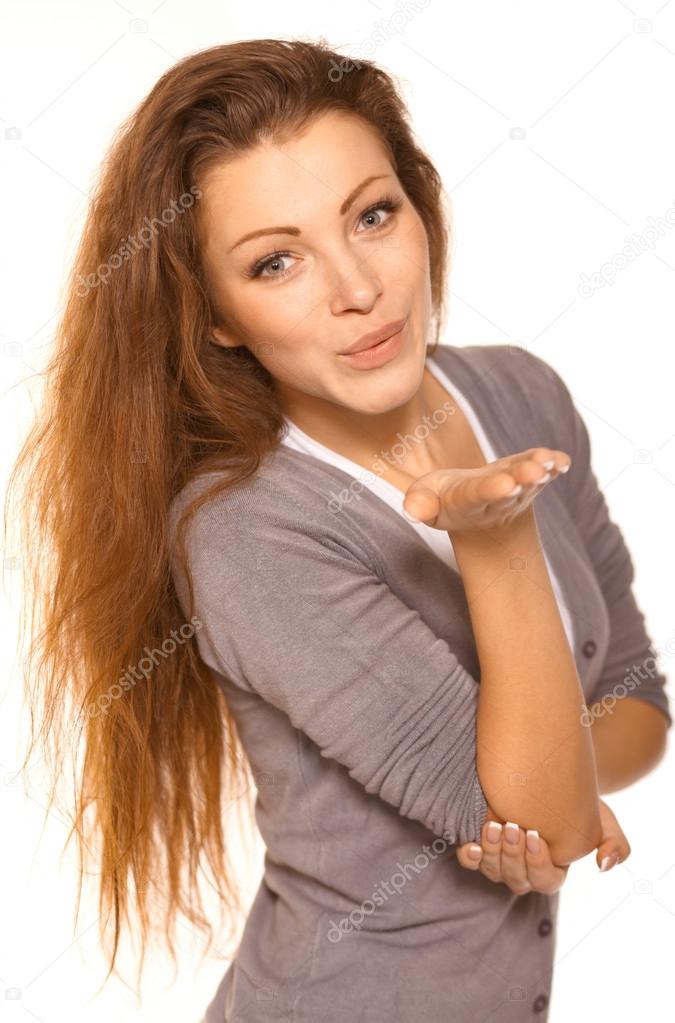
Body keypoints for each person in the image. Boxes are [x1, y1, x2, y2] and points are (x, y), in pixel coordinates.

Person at [9, 38, 670, 1023]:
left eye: (373, 214)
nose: (356, 288)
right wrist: (495, 545)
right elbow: (539, 820)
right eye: (276, 262)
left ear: (420, 204)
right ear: (219, 315)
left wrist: (559, 770)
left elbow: (641, 708)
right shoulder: (243, 531)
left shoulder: (521, 391)